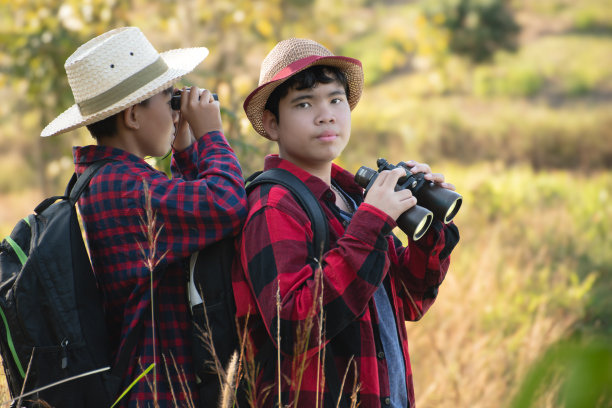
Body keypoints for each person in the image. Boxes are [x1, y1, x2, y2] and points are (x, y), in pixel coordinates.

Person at [232, 38, 460, 408]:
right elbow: (292, 325)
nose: (327, 115)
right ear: (272, 124)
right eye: (304, 104)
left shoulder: (352, 196)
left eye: (336, 99)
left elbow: (409, 301)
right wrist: (371, 224)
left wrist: (428, 229)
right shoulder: (273, 206)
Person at [41, 27, 247, 407]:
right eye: (169, 97)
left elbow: (194, 223)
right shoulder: (126, 186)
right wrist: (212, 136)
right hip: (157, 389)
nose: (177, 107)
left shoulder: (103, 178)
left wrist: (184, 147)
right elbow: (227, 204)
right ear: (134, 115)